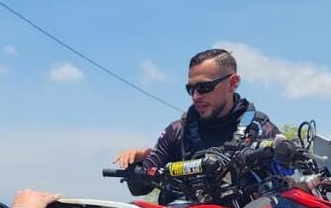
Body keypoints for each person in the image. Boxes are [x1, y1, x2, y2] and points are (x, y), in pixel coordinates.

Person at [113, 48, 280, 172]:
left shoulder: (261, 129)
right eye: (190, 89)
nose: (195, 96)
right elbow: (141, 187)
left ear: (233, 83)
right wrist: (136, 160)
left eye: (204, 87)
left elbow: (289, 181)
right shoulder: (178, 131)